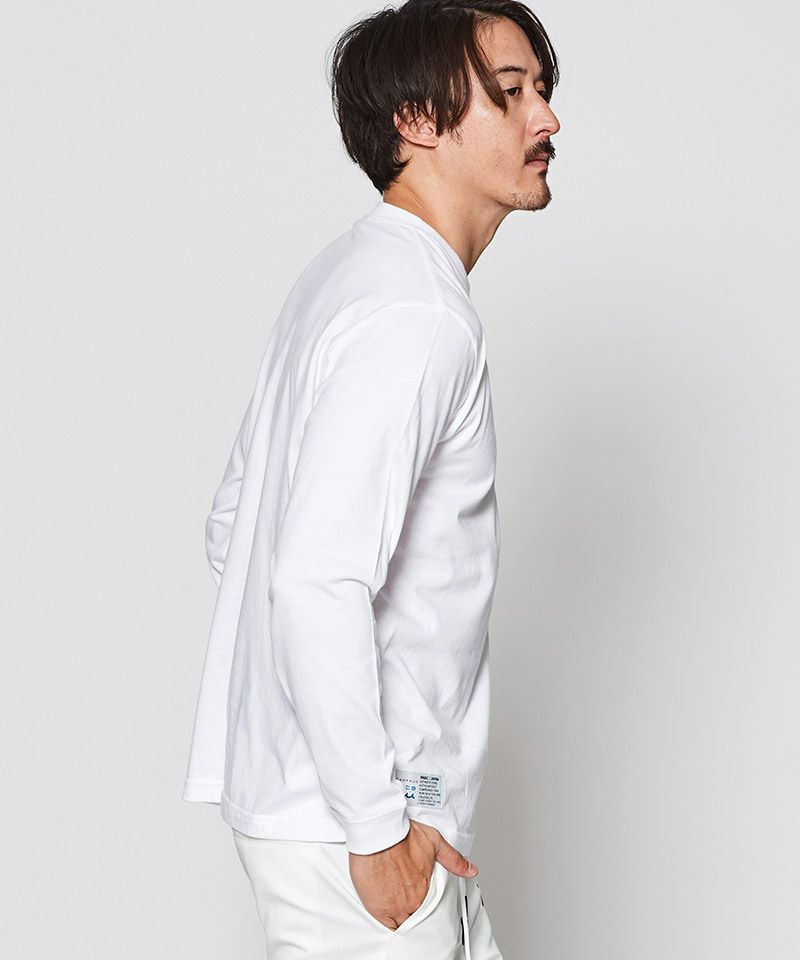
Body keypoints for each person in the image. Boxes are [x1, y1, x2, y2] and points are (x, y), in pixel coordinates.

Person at [182, 0, 560, 956]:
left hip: (351, 815)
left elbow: (236, 524)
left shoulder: (348, 277)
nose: (546, 118)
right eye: (510, 92)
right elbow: (312, 574)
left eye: (542, 90)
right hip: (361, 833)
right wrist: (374, 821)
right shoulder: (415, 314)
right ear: (417, 120)